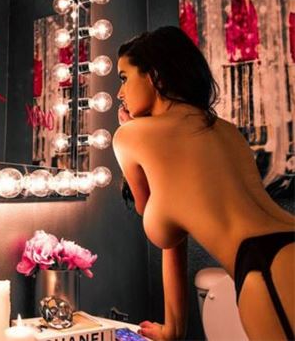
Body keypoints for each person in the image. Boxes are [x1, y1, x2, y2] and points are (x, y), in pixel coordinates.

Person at [112, 26, 294, 341]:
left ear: (155, 76)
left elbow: (149, 211)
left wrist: (132, 128)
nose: (120, 93)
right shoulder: (226, 130)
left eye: (124, 78)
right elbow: (173, 230)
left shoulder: (130, 135)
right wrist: (173, 330)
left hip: (267, 269)